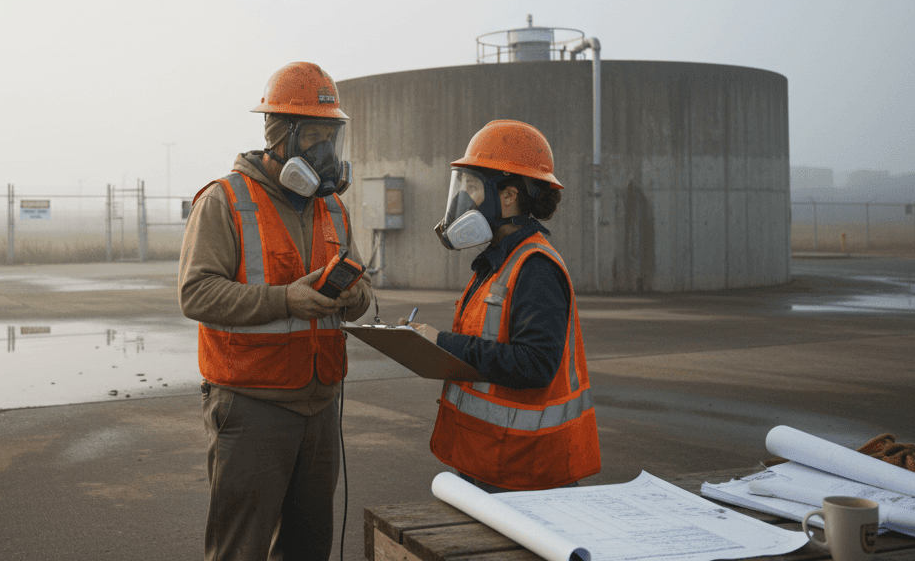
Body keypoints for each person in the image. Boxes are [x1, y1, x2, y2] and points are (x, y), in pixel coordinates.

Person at [179, 61, 373, 561]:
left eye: (332, 136)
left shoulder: (332, 208)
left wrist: (358, 297)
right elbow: (196, 294)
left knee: (309, 549)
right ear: (277, 134)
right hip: (251, 407)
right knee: (240, 550)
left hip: (320, 405)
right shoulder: (225, 201)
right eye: (312, 135)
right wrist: (284, 299)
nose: (325, 153)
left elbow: (356, 288)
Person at [410, 120, 600, 493]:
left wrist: (443, 344)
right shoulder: (499, 260)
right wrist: (424, 346)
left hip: (526, 473)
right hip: (494, 460)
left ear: (508, 196)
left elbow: (534, 365)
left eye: (472, 187)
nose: (462, 199)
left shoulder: (535, 268)